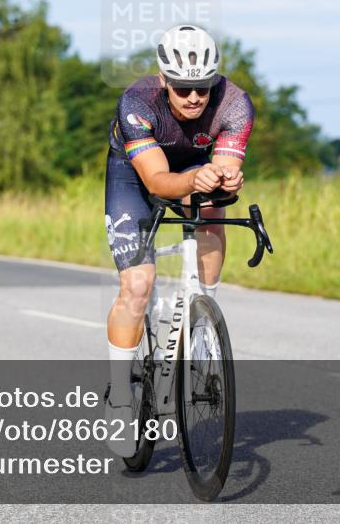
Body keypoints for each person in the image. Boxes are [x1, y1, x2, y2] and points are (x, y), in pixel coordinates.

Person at [103, 24, 254, 455]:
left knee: (212, 209)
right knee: (137, 286)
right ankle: (119, 396)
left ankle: (204, 313)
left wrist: (225, 178)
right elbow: (157, 180)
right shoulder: (136, 102)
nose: (194, 98)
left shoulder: (236, 105)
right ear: (165, 79)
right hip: (134, 175)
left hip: (192, 168)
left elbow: (221, 172)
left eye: (203, 89)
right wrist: (193, 179)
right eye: (184, 88)